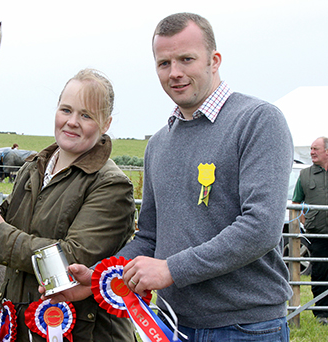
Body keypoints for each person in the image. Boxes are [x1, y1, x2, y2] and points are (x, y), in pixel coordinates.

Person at [44, 13, 293, 341]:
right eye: (164, 63)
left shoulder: (258, 121)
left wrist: (171, 269)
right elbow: (150, 236)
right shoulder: (159, 144)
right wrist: (102, 276)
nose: (174, 73)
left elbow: (260, 228)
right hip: (171, 326)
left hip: (245, 328)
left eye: (186, 59)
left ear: (214, 61)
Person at [0, 68, 136, 341]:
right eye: (66, 110)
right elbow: (11, 223)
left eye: (86, 115)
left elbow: (72, 259)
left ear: (106, 124)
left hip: (84, 333)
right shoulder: (32, 168)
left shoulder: (112, 186)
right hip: (20, 325)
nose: (72, 121)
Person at [292, 137, 328, 325]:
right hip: (319, 235)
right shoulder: (305, 175)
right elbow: (296, 203)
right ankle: (322, 314)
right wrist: (307, 223)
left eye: (316, 149)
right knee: (320, 273)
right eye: (311, 149)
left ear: (327, 151)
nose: (312, 152)